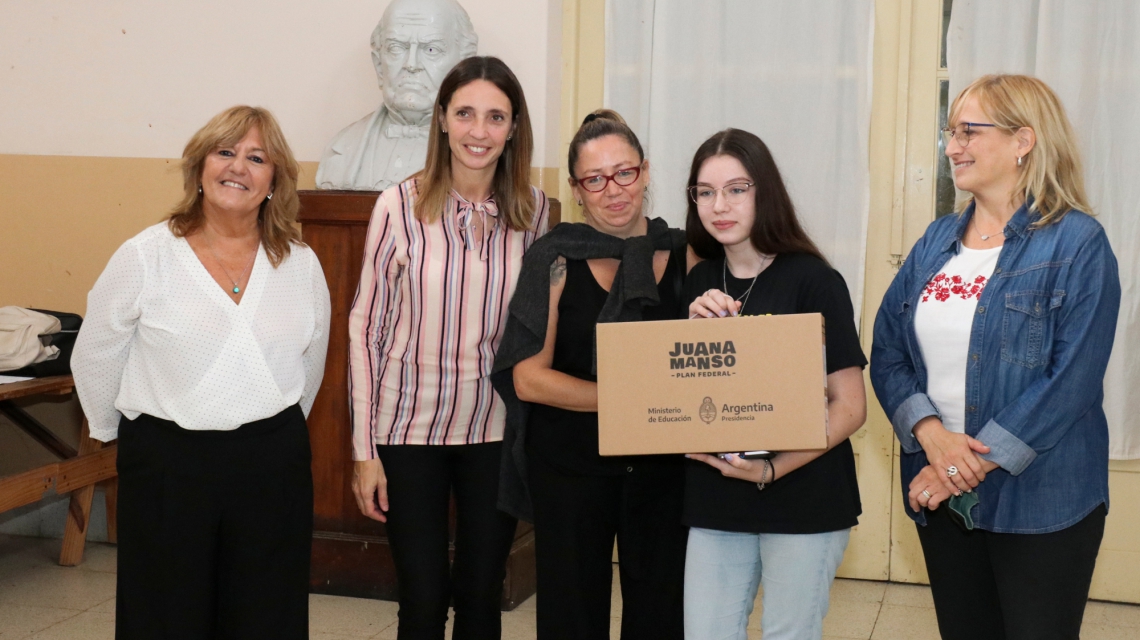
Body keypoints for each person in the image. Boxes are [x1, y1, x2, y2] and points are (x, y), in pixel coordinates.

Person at [870, 74, 1121, 640]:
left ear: (1022, 141)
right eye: (950, 132)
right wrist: (931, 435)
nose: (952, 147)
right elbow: (887, 349)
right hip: (940, 489)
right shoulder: (935, 241)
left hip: (1042, 499)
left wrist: (959, 466)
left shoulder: (1078, 243)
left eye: (968, 131)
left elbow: (1072, 380)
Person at [71, 105, 330, 639]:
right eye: (225, 152)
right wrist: (120, 435)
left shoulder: (300, 263)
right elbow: (95, 354)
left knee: (267, 615)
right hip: (168, 466)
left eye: (257, 158)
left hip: (271, 467)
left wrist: (270, 430)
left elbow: (311, 362)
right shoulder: (147, 256)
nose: (238, 167)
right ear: (199, 166)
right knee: (166, 616)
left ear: (275, 180)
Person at [348, 56, 549, 640]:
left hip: (496, 431)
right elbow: (366, 328)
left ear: (513, 128)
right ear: (441, 119)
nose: (478, 131)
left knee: (482, 595)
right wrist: (364, 451)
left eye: (495, 117)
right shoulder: (397, 206)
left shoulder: (535, 213)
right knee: (423, 597)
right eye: (465, 113)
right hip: (408, 432)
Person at [493, 109, 690, 640]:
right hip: (570, 468)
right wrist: (632, 399)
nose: (613, 190)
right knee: (571, 618)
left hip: (663, 470)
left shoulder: (685, 252)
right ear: (577, 190)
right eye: (595, 179)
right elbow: (529, 378)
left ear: (646, 172)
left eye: (624, 172)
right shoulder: (554, 259)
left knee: (661, 615)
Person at [681, 129, 867, 640]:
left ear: (765, 192)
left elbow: (850, 406)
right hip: (718, 495)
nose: (719, 205)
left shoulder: (815, 280)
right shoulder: (698, 283)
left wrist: (770, 469)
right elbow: (691, 401)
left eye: (736, 189)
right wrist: (691, 339)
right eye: (705, 192)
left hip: (803, 493)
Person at [317, 0, 479, 190]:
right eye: (396, 48)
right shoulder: (342, 148)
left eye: (431, 49)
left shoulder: (482, 148)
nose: (411, 64)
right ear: (379, 65)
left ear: (463, 66)